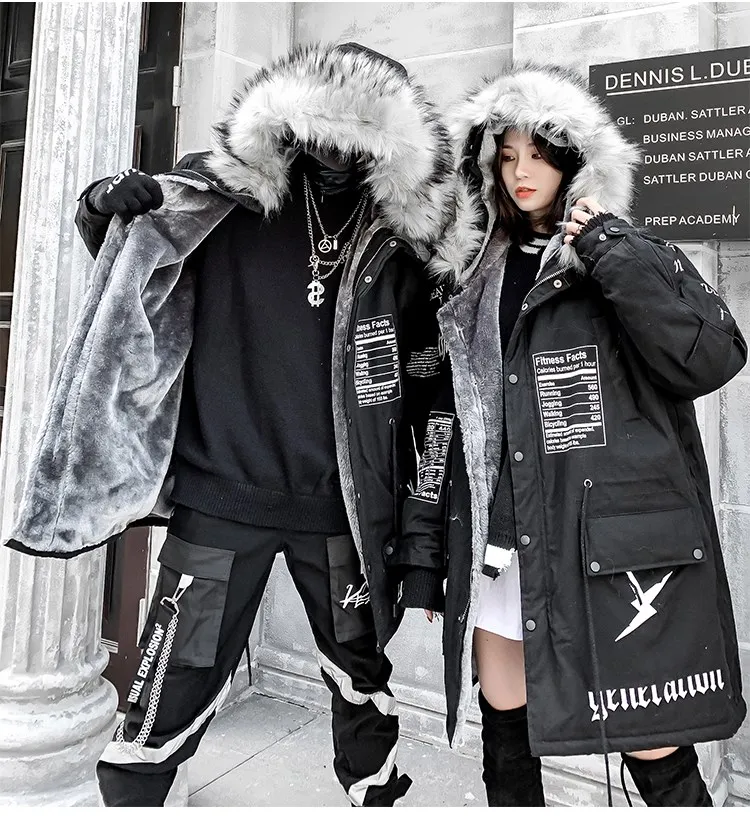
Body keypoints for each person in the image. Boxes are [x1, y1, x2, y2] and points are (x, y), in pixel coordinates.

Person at [5, 42, 454, 807]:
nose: (336, 147)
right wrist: (101, 205)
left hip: (343, 517)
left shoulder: (399, 243)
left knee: (363, 689)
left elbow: (428, 396)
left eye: (361, 131)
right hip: (220, 506)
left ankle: (375, 802)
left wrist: (420, 540)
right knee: (166, 694)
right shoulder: (222, 196)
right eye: (323, 123)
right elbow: (137, 262)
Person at [395, 64, 747, 807]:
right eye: (507, 155)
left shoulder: (621, 253)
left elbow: (711, 356)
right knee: (506, 725)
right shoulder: (471, 274)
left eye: (539, 154)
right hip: (499, 541)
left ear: (573, 159)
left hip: (600, 547)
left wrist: (609, 246)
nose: (521, 172)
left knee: (654, 743)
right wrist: (426, 553)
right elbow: (446, 420)